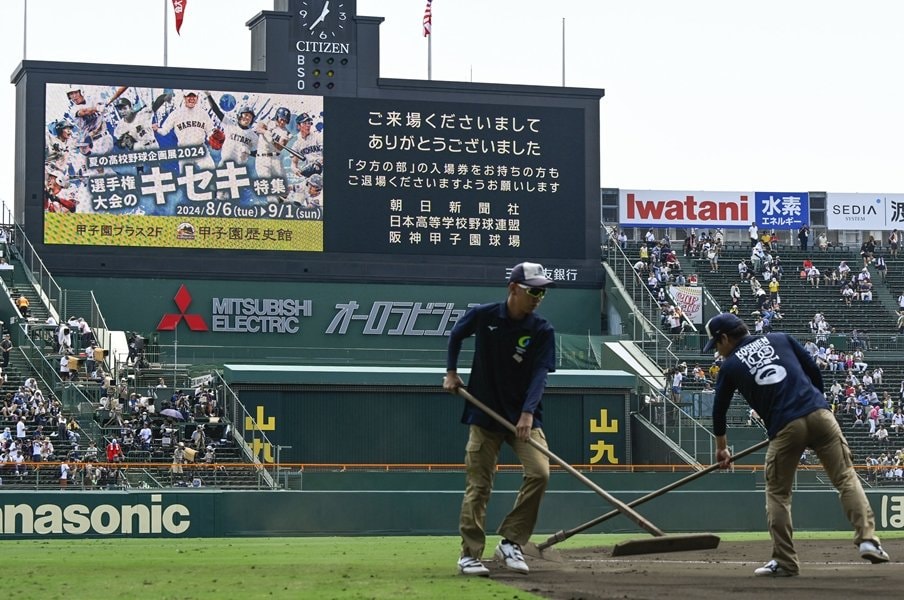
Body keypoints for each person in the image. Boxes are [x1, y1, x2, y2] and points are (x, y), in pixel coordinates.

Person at [704, 313, 889, 577]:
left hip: (785, 426)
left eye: (716, 345)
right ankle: (868, 540)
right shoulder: (780, 338)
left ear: (724, 338)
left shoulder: (731, 365)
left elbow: (719, 410)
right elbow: (813, 369)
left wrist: (722, 448)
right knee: (846, 478)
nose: (718, 353)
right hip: (821, 415)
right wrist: (817, 404)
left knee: (778, 494)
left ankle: (786, 561)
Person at [442, 261, 556, 577]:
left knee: (540, 473)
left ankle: (511, 542)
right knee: (479, 486)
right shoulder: (485, 315)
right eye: (533, 291)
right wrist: (451, 372)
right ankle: (469, 554)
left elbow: (540, 375)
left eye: (542, 292)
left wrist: (528, 413)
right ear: (513, 289)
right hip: (484, 414)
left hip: (524, 417)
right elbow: (456, 335)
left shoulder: (542, 330)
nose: (538, 297)